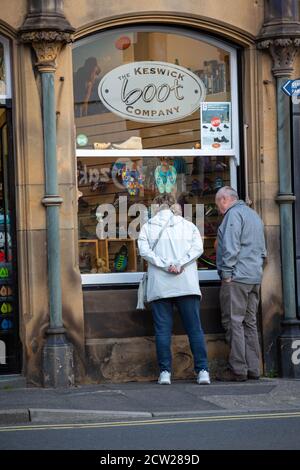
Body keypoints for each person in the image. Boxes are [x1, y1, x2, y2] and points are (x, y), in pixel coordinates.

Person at [138, 193, 210, 385]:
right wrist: (179, 264)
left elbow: (145, 252)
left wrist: (164, 264)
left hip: (161, 286)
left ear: (156, 207)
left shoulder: (147, 227)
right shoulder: (188, 226)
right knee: (195, 329)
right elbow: (198, 248)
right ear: (174, 206)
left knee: (162, 331)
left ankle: (165, 373)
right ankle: (202, 371)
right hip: (186, 283)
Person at [215, 186, 267, 381]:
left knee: (233, 322)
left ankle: (238, 369)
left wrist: (227, 273)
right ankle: (254, 368)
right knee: (250, 323)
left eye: (217, 202)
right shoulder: (254, 215)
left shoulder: (233, 215)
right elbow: (263, 250)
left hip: (237, 278)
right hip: (254, 277)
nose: (218, 207)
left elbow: (230, 246)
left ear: (224, 200)